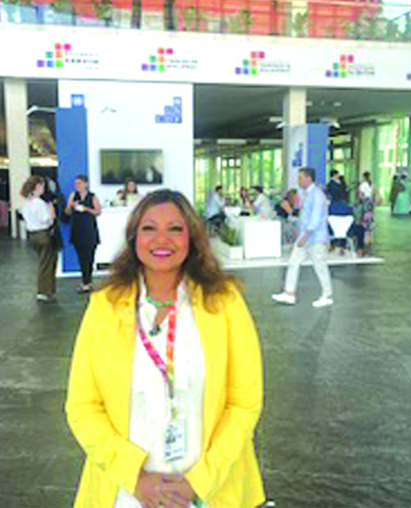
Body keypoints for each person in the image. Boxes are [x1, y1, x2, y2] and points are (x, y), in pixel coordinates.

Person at [65, 189, 265, 508]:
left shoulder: (225, 302)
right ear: (134, 237)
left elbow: (244, 403)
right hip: (125, 492)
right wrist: (135, 479)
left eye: (175, 228)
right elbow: (82, 406)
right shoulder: (104, 306)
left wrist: (198, 482)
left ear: (192, 238)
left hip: (208, 491)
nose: (162, 240)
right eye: (149, 228)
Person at [272, 167, 333, 308]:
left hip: (315, 239)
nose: (298, 181)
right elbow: (303, 217)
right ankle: (289, 293)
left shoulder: (317, 195)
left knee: (320, 266)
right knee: (293, 262)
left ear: (308, 178)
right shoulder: (305, 195)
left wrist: (305, 236)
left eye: (300, 178)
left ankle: (327, 295)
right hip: (304, 237)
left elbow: (315, 219)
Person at [20, 176, 58, 302]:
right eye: (42, 186)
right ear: (37, 187)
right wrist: (51, 213)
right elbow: (45, 219)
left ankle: (47, 290)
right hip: (43, 234)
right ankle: (44, 291)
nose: (43, 188)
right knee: (47, 263)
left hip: (32, 235)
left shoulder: (26, 203)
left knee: (43, 262)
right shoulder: (39, 203)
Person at [66, 175, 102, 294]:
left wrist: (85, 209)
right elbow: (67, 212)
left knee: (90, 257)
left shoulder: (92, 196)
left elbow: (98, 211)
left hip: (89, 230)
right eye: (76, 183)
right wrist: (71, 205)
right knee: (81, 257)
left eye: (79, 183)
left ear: (86, 184)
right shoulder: (73, 196)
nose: (77, 185)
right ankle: (85, 282)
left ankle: (88, 282)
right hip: (77, 230)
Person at [357, 171, 376, 249]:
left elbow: (360, 195)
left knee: (364, 219)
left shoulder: (362, 185)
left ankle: (365, 238)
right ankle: (370, 238)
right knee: (370, 219)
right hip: (370, 203)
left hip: (364, 202)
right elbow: (374, 194)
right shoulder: (372, 184)